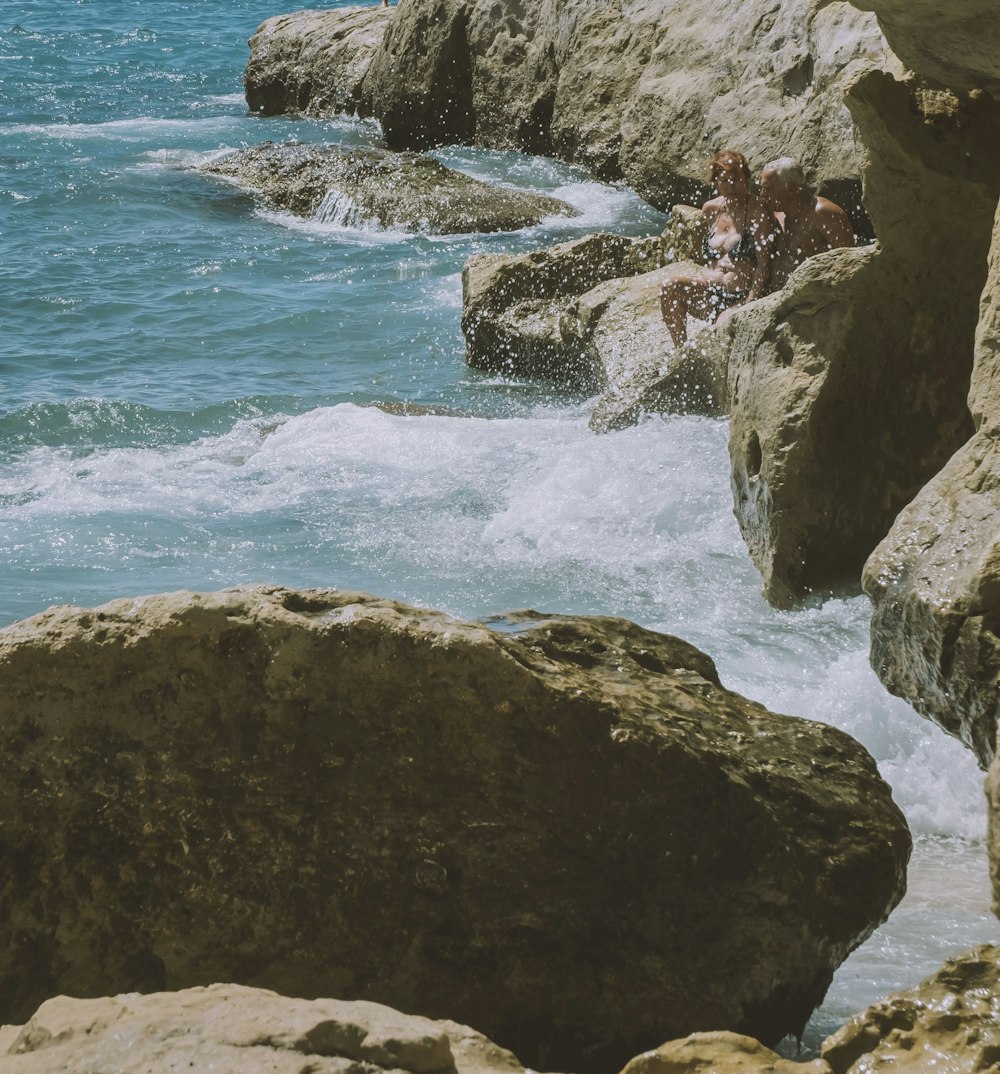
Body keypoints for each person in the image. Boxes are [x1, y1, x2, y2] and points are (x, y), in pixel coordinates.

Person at [659, 149, 778, 349]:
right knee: (669, 287)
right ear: (716, 183)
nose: (731, 186)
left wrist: (753, 299)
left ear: (746, 179)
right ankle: (681, 353)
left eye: (735, 179)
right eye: (724, 181)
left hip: (739, 297)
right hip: (709, 291)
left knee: (720, 333)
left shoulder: (758, 211)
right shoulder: (711, 209)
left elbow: (764, 262)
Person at [758, 157, 855, 290]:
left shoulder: (822, 213)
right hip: (778, 298)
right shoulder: (776, 214)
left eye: (768, 189)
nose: (762, 194)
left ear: (790, 188)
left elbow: (851, 263)